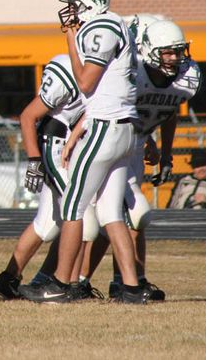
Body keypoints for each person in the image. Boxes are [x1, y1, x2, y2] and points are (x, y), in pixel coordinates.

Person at [19, 0, 151, 304]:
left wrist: (69, 38)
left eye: (73, 5)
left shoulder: (100, 28)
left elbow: (87, 82)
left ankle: (61, 283)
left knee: (73, 208)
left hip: (106, 128)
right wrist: (79, 128)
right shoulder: (117, 24)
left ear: (89, 3)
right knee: (110, 213)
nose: (69, 12)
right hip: (123, 128)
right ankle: (132, 287)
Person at [80, 19, 201, 300]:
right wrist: (149, 141)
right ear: (148, 50)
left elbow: (169, 110)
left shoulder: (185, 77)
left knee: (128, 216)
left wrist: (165, 152)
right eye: (167, 52)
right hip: (111, 139)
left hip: (134, 144)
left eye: (177, 51)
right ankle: (98, 280)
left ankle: (124, 279)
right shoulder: (131, 73)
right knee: (124, 216)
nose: (174, 58)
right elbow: (116, 110)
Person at [0, 54, 101, 300]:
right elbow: (29, 116)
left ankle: (9, 278)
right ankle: (71, 284)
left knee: (48, 225)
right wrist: (34, 160)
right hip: (56, 146)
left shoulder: (106, 70)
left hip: (73, 145)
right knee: (83, 216)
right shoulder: (68, 69)